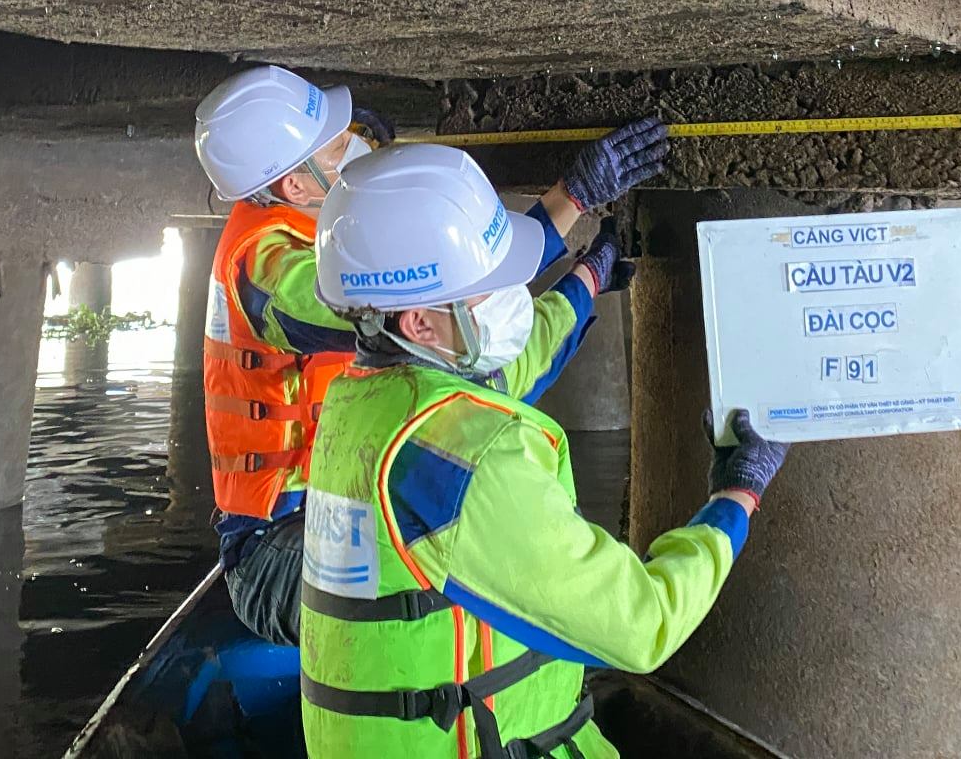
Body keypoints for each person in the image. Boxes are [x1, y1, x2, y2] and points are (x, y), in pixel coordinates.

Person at [299, 143, 792, 759]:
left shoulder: (373, 400)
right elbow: (642, 624)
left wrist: (590, 276)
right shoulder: (466, 467)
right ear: (419, 324)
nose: (514, 297)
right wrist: (736, 495)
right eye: (492, 287)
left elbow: (520, 359)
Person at [192, 64, 671, 645]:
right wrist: (573, 197)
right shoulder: (267, 265)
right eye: (340, 144)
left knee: (474, 427)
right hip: (275, 544)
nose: (358, 148)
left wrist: (586, 278)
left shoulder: (333, 236)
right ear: (293, 185)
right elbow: (420, 291)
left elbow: (494, 357)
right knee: (473, 600)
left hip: (355, 502)